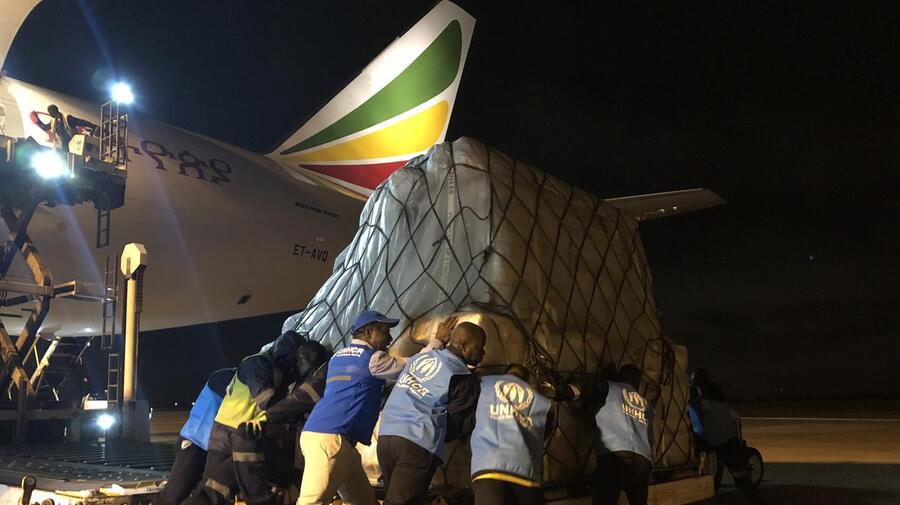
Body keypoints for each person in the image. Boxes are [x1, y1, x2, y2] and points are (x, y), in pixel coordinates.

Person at [297, 311, 457, 505]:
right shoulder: (372, 359)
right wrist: (437, 342)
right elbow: (413, 367)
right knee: (312, 501)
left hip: (333, 439)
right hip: (331, 438)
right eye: (384, 331)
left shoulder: (337, 357)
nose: (389, 338)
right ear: (369, 332)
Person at [183, 331, 303, 505]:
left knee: (221, 488)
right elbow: (268, 401)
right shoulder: (256, 363)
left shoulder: (273, 367)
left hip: (242, 434)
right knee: (214, 489)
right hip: (227, 434)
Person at [377, 321, 487, 505]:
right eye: (479, 347)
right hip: (417, 443)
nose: (482, 353)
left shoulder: (420, 358)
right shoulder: (462, 377)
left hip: (387, 437)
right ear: (463, 345)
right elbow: (454, 424)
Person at [469, 364, 551, 505]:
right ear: (525, 380)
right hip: (525, 471)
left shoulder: (482, 384)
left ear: (505, 374)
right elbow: (546, 431)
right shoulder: (540, 399)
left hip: (487, 468)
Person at [158, 368, 236, 505]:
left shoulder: (224, 376)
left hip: (208, 445)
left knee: (194, 492)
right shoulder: (226, 378)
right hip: (196, 442)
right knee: (175, 493)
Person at [591, 364, 653, 505]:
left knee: (605, 499)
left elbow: (585, 391)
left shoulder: (609, 387)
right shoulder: (646, 404)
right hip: (643, 462)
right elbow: (650, 438)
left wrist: (562, 390)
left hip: (615, 456)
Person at [689, 382, 760, 501]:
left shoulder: (697, 406)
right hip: (726, 443)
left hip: (713, 444)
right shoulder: (719, 407)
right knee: (740, 475)